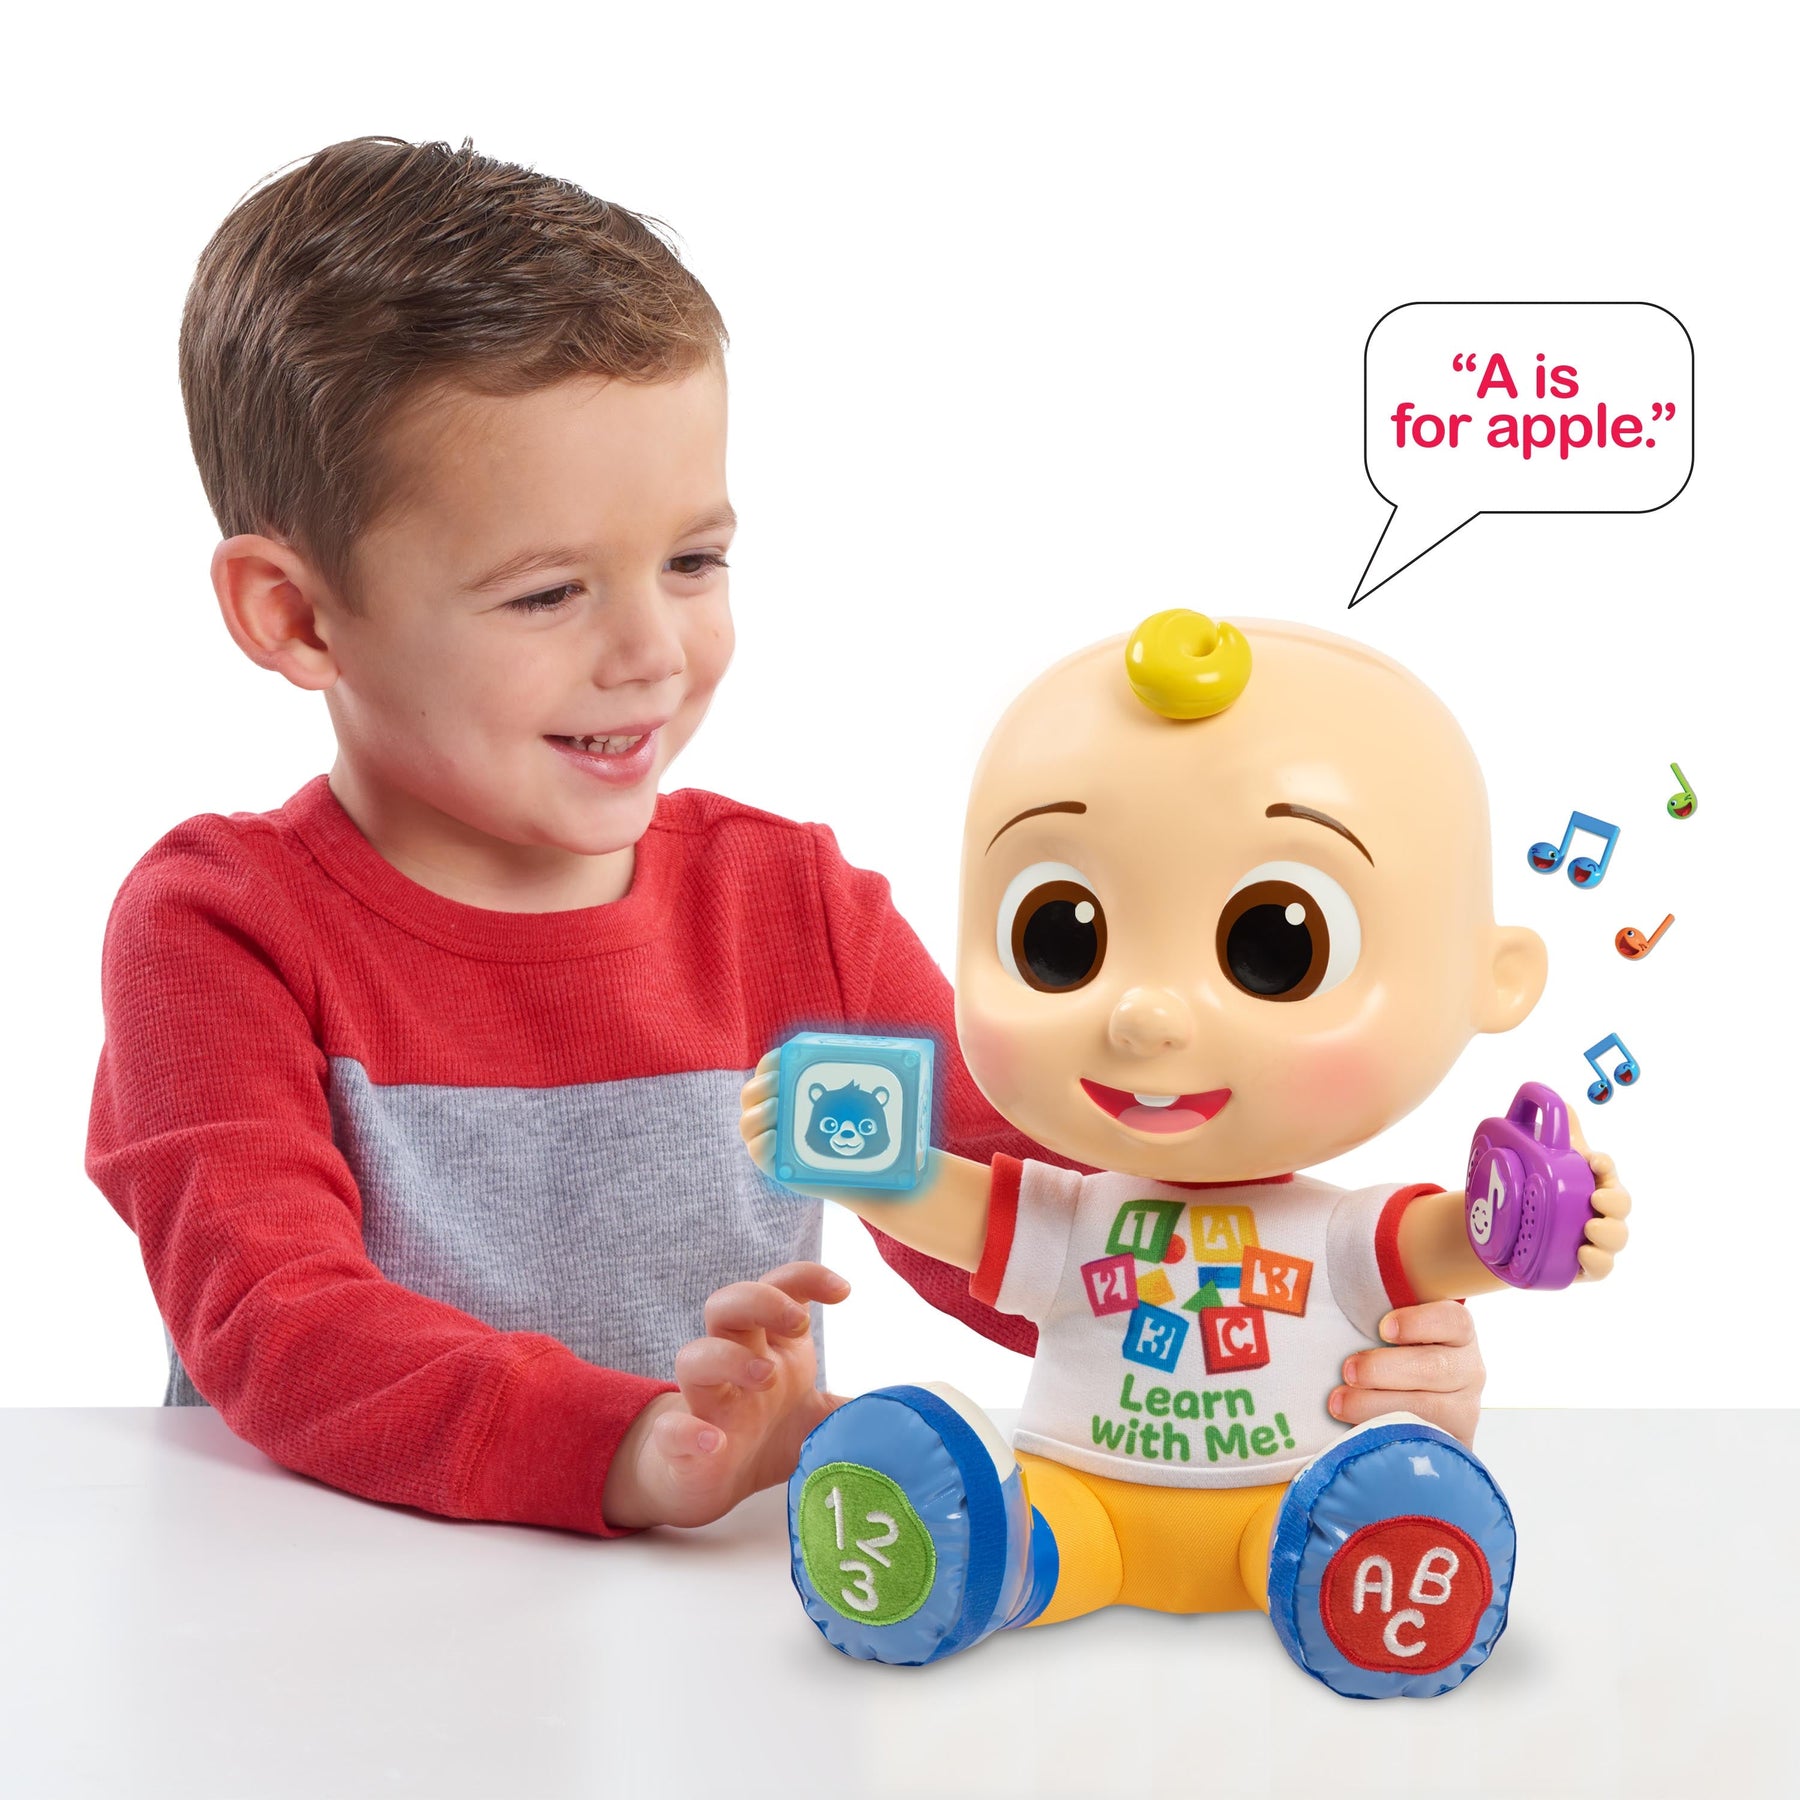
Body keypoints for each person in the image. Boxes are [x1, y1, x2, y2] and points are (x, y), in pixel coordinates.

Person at [86, 137, 1490, 1539]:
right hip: (313, 1624)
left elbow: (1054, 1235)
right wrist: (633, 1444)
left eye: (692, 561)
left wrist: (1330, 1338)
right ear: (296, 616)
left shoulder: (788, 904)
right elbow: (276, 1323)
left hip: (717, 1630)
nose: (652, 652)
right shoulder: (220, 927)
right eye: (549, 593)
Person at [745, 613, 1630, 1695]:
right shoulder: (1075, 1215)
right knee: (1037, 1535)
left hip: (1296, 1499)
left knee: (1338, 1523)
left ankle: (1376, 1558)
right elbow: (956, 1208)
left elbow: (1455, 1240)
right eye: (1061, 938)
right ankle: (980, 1559)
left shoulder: (1340, 1229)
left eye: (1275, 945)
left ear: (1492, 976)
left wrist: (1547, 1217)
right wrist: (846, 1158)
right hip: (1081, 1495)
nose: (1147, 1016)